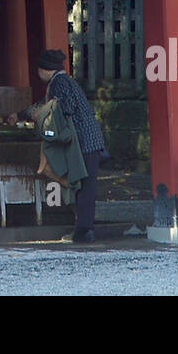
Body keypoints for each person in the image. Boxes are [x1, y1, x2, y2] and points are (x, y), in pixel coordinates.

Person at [24, 49, 108, 243]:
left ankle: (84, 232)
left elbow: (63, 108)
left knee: (84, 186)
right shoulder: (65, 81)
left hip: (84, 142)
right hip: (90, 140)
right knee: (85, 185)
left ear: (45, 70)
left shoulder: (59, 84)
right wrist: (24, 113)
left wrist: (42, 118)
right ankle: (84, 229)